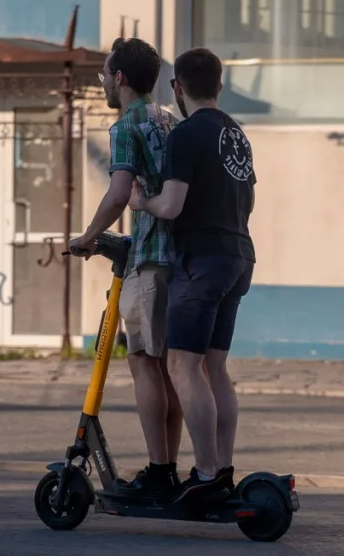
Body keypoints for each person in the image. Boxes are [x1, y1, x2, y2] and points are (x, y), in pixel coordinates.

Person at [128, 47, 256, 504]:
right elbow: (248, 199)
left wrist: (142, 202)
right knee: (214, 367)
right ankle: (223, 468)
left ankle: (204, 473)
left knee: (182, 364)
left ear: (177, 88)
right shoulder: (237, 134)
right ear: (220, 85)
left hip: (201, 260)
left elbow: (172, 205)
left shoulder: (187, 134)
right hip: (239, 256)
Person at [68, 37, 183, 500]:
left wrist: (88, 236)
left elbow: (119, 193)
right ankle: (168, 467)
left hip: (151, 257)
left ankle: (159, 471)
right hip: (181, 258)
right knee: (170, 368)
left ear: (120, 78)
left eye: (104, 74)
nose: (102, 82)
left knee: (143, 363)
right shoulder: (168, 120)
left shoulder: (126, 125)